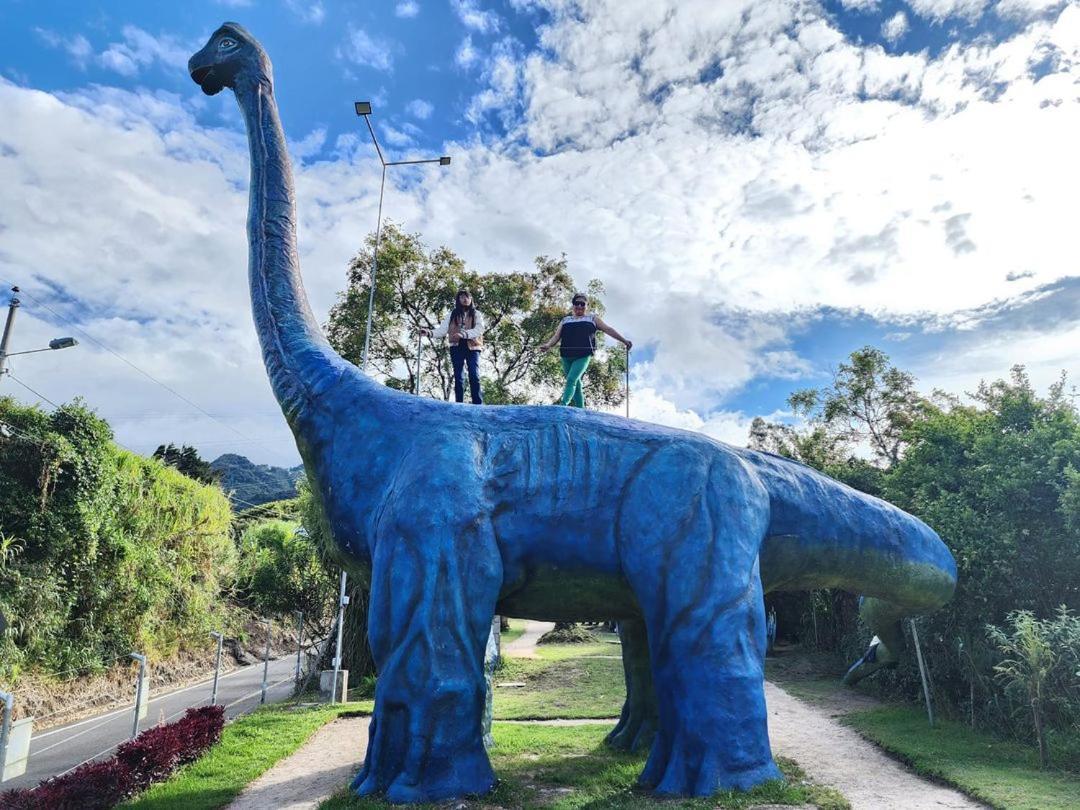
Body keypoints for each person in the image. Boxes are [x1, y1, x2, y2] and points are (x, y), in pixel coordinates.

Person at [539, 292, 631, 408]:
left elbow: (608, 329)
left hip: (583, 355)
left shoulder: (592, 318)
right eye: (577, 303)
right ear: (573, 305)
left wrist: (624, 341)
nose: (580, 306)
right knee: (576, 384)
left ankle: (563, 405)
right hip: (566, 356)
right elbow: (557, 336)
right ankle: (581, 410)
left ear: (587, 306)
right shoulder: (566, 320)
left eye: (583, 304)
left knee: (571, 379)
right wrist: (548, 345)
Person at [422, 288, 485, 404]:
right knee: (458, 377)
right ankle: (459, 404)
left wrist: (464, 334)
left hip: (473, 346)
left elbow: (479, 329)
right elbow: (442, 330)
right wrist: (429, 333)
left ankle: (478, 404)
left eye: (467, 297)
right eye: (462, 297)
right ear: (458, 300)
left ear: (471, 299)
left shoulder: (476, 314)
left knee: (474, 375)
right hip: (456, 347)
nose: (465, 299)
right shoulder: (451, 315)